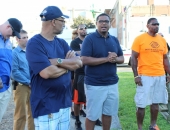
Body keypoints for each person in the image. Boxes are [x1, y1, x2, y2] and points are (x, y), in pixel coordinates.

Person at [26, 6, 82, 130]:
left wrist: (57, 61)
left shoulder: (61, 42)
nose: (64, 24)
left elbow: (78, 62)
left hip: (64, 102)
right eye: (62, 21)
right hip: (46, 105)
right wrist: (68, 65)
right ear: (53, 21)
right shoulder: (35, 43)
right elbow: (46, 72)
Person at [81, 13, 124, 130]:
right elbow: (84, 59)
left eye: (106, 21)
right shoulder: (89, 39)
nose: (104, 23)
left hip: (112, 84)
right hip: (94, 84)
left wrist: (115, 58)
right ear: (96, 24)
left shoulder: (114, 40)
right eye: (101, 21)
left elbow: (122, 58)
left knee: (108, 113)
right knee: (92, 115)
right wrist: (106, 59)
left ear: (110, 24)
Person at [131, 18, 170, 130]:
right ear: (148, 26)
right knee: (141, 104)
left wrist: (168, 73)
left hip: (160, 76)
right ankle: (140, 127)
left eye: (158, 24)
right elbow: (133, 58)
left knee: (155, 103)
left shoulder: (162, 40)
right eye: (154, 24)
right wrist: (136, 75)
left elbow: (165, 59)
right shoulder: (140, 39)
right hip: (145, 76)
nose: (156, 26)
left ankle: (153, 125)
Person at [0, 18, 22, 122]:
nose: (12, 36)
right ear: (8, 27)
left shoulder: (8, 41)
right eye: (12, 34)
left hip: (6, 87)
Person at [12, 30, 34, 130]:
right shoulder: (14, 53)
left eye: (27, 37)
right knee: (20, 115)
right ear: (17, 39)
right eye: (24, 37)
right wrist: (28, 82)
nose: (26, 39)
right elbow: (14, 72)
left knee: (32, 113)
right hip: (21, 87)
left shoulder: (29, 52)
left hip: (32, 86)